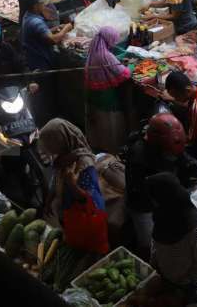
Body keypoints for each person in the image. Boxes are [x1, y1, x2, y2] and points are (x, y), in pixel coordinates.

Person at [125, 113, 197, 256]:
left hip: (167, 195)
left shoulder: (170, 144)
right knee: (149, 241)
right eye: (168, 154)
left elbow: (183, 157)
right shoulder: (139, 157)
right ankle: (148, 261)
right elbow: (140, 189)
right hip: (144, 204)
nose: (172, 156)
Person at [39, 119, 106, 250]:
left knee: (85, 249)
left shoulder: (84, 164)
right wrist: (48, 201)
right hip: (67, 214)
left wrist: (72, 184)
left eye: (49, 143)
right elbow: (56, 179)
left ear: (60, 141)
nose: (46, 148)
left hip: (83, 219)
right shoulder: (61, 158)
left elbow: (94, 200)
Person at [147, 172, 197, 302]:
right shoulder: (160, 215)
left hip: (185, 283)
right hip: (165, 275)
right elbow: (156, 243)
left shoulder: (194, 227)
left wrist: (195, 285)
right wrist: (154, 264)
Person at [85, 26, 132, 153]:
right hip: (106, 96)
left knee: (100, 123)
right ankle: (113, 149)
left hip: (95, 95)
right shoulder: (105, 55)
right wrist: (131, 66)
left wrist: (119, 61)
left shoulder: (94, 50)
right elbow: (125, 74)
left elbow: (111, 63)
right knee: (110, 124)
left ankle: (101, 147)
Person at [20, 0, 72, 72]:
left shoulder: (28, 15)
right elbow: (53, 40)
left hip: (33, 59)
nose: (44, 5)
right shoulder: (36, 22)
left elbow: (39, 33)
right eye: (41, 3)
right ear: (35, 6)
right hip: (40, 64)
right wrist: (67, 28)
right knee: (45, 83)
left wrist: (56, 28)